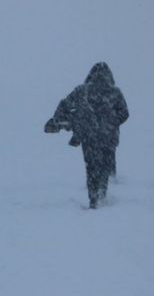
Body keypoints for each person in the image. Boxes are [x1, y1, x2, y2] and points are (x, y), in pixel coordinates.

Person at [45, 62, 129, 209]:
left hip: (89, 137)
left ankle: (93, 198)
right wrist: (111, 122)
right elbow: (124, 113)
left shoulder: (82, 90)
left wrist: (57, 120)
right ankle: (102, 194)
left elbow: (64, 104)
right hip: (108, 138)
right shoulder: (115, 92)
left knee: (91, 167)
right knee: (105, 167)